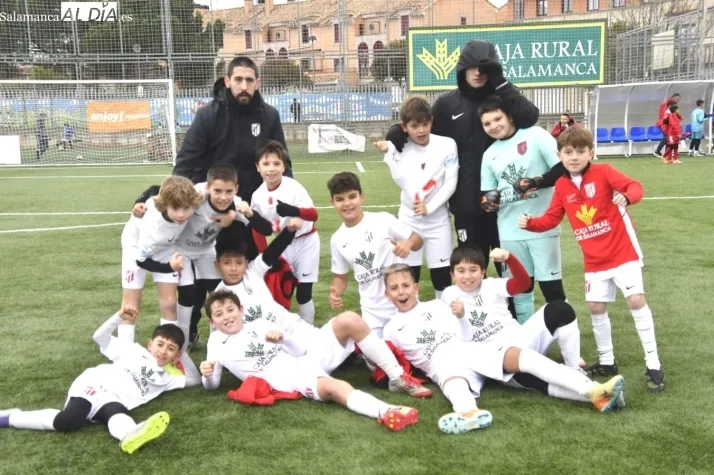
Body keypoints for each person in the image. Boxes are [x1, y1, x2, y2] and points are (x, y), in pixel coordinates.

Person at [381, 263, 625, 435]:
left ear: (415, 287)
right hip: (441, 364)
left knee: (523, 357)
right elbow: (394, 369)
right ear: (387, 294)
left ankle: (594, 391)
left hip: (467, 349)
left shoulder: (437, 305)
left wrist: (463, 316)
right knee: (454, 382)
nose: (401, 291)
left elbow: (464, 333)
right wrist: (412, 384)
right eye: (394, 288)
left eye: (406, 285)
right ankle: (469, 414)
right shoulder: (390, 330)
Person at [519, 126, 665, 393]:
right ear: (559, 155)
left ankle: (653, 364)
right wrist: (531, 223)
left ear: (591, 153)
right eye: (568, 152)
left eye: (580, 151)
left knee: (635, 300)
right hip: (594, 259)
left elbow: (635, 186)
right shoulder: (561, 185)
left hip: (622, 251)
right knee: (596, 307)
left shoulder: (604, 172)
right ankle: (607, 362)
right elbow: (552, 218)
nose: (574, 157)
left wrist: (627, 196)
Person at [213, 226, 432, 398]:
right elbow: (222, 341)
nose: (233, 268)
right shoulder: (218, 301)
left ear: (246, 262)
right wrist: (212, 372)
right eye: (227, 263)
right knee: (349, 355)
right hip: (287, 362)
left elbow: (272, 252)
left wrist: (290, 230)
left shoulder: (252, 272)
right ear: (217, 265)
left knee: (350, 322)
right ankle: (363, 359)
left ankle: (397, 377)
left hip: (304, 337)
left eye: (238, 262)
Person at [385, 40, 539, 276]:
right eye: (472, 67)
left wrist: (500, 81)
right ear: (462, 69)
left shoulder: (503, 99)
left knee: (508, 268)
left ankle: (513, 302)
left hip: (504, 202)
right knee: (471, 270)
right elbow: (421, 125)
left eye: (484, 68)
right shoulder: (447, 104)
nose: (478, 73)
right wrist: (397, 130)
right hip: (466, 205)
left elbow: (530, 117)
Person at [199, 290, 421, 432]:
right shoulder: (216, 344)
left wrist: (283, 339)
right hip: (292, 377)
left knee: (349, 319)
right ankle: (388, 411)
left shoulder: (260, 325)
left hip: (305, 358)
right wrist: (207, 375)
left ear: (241, 310)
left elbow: (301, 350)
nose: (227, 316)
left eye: (230, 310)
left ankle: (396, 377)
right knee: (333, 388)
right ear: (211, 321)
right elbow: (212, 386)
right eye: (219, 314)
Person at [0, 305, 201, 454]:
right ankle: (9, 417)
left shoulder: (167, 378)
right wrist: (118, 317)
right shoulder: (133, 350)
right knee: (67, 421)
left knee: (115, 414)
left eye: (171, 349)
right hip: (95, 384)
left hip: (114, 400)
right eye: (160, 344)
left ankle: (131, 434)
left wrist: (182, 354)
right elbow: (99, 337)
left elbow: (195, 379)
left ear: (176, 355)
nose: (163, 351)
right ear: (150, 344)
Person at [478, 96, 567, 323]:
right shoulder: (489, 154)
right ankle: (526, 337)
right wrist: (488, 202)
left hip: (542, 226)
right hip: (509, 230)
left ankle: (565, 337)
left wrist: (536, 182)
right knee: (520, 290)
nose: (493, 126)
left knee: (552, 288)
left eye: (497, 119)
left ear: (509, 116)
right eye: (487, 123)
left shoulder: (536, 135)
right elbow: (488, 194)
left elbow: (562, 168)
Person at [173, 56, 292, 204]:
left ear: (257, 83)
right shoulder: (208, 114)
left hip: (254, 204)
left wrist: (289, 200)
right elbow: (186, 161)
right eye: (238, 79)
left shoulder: (269, 115)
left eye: (249, 80)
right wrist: (175, 198)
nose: (244, 86)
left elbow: (283, 161)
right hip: (214, 204)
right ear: (227, 81)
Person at [441, 246, 584, 369]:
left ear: (483, 272)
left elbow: (523, 284)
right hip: (493, 358)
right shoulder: (448, 295)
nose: (467, 276)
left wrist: (509, 258)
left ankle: (574, 367)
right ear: (452, 274)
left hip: (521, 343)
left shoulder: (491, 285)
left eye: (473, 270)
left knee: (560, 308)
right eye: (461, 271)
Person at [373, 95, 458, 300]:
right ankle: (411, 316)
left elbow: (451, 182)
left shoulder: (447, 145)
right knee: (408, 277)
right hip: (408, 222)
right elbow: (400, 179)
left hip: (438, 221)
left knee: (442, 278)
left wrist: (430, 207)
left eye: (425, 124)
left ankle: (444, 315)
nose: (421, 130)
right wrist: (389, 150)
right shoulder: (398, 146)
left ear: (431, 121)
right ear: (404, 126)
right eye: (414, 126)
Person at [327, 172, 424, 338]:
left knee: (414, 345)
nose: (347, 203)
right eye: (340, 199)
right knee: (374, 354)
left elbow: (418, 240)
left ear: (361, 197)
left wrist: (408, 244)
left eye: (352, 197)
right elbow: (341, 276)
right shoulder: (337, 239)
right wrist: (335, 292)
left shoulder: (383, 220)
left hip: (403, 301)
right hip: (372, 311)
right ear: (333, 203)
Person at [120, 175, 202, 331]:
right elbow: (141, 261)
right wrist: (169, 267)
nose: (181, 215)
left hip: (166, 246)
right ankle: (125, 343)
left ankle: (170, 343)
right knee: (131, 305)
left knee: (169, 303)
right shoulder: (153, 229)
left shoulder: (188, 197)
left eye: (186, 208)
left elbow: (154, 188)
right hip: (136, 248)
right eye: (175, 209)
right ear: (164, 205)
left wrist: (139, 200)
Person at [251, 140, 320, 323]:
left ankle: (307, 331)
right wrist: (265, 255)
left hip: (306, 242)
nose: (271, 169)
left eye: (276, 163)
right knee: (280, 291)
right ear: (258, 167)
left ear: (283, 166)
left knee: (304, 293)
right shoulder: (257, 196)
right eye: (266, 164)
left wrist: (295, 212)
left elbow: (313, 214)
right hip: (282, 244)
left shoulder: (293, 187)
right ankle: (280, 331)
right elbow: (257, 227)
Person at [654, 93, 680, 157]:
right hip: (666, 127)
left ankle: (667, 154)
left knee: (668, 141)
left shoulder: (669, 109)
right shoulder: (667, 108)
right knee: (667, 140)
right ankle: (658, 151)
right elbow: (665, 119)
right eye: (677, 99)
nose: (678, 101)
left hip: (666, 127)